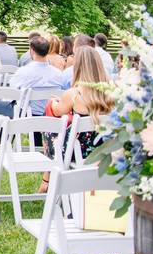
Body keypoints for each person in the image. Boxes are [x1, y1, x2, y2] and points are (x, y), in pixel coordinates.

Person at [41, 46, 114, 191]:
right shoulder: (112, 92)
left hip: (76, 151)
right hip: (104, 149)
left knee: (49, 131)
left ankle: (46, 181)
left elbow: (57, 111)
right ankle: (46, 181)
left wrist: (55, 102)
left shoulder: (74, 94)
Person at [0, 35, 66, 119]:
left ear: (32, 50)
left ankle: (3, 131)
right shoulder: (58, 74)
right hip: (49, 114)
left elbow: (13, 90)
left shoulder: (24, 71)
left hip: (26, 113)